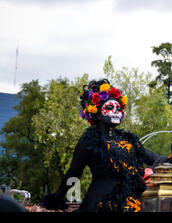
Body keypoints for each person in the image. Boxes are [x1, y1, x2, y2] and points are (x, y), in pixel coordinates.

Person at [42, 79, 162, 212]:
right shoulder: (89, 140)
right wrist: (57, 197)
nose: (116, 111)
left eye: (118, 108)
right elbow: (75, 172)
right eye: (110, 108)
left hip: (134, 203)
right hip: (100, 204)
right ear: (96, 113)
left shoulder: (129, 141)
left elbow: (156, 159)